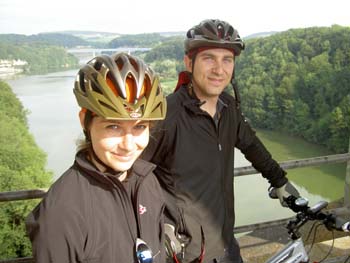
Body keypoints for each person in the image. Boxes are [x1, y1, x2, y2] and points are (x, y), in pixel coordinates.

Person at [141, 19, 300, 263]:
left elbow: (251, 145)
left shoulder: (228, 108)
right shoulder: (166, 115)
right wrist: (153, 222)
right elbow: (131, 176)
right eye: (209, 58)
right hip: (185, 254)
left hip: (226, 246)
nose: (219, 69)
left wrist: (279, 181)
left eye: (227, 60)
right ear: (189, 63)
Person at [25, 52, 167, 263]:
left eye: (140, 127)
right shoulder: (62, 213)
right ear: (85, 121)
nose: (128, 145)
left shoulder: (147, 181)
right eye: (113, 126)